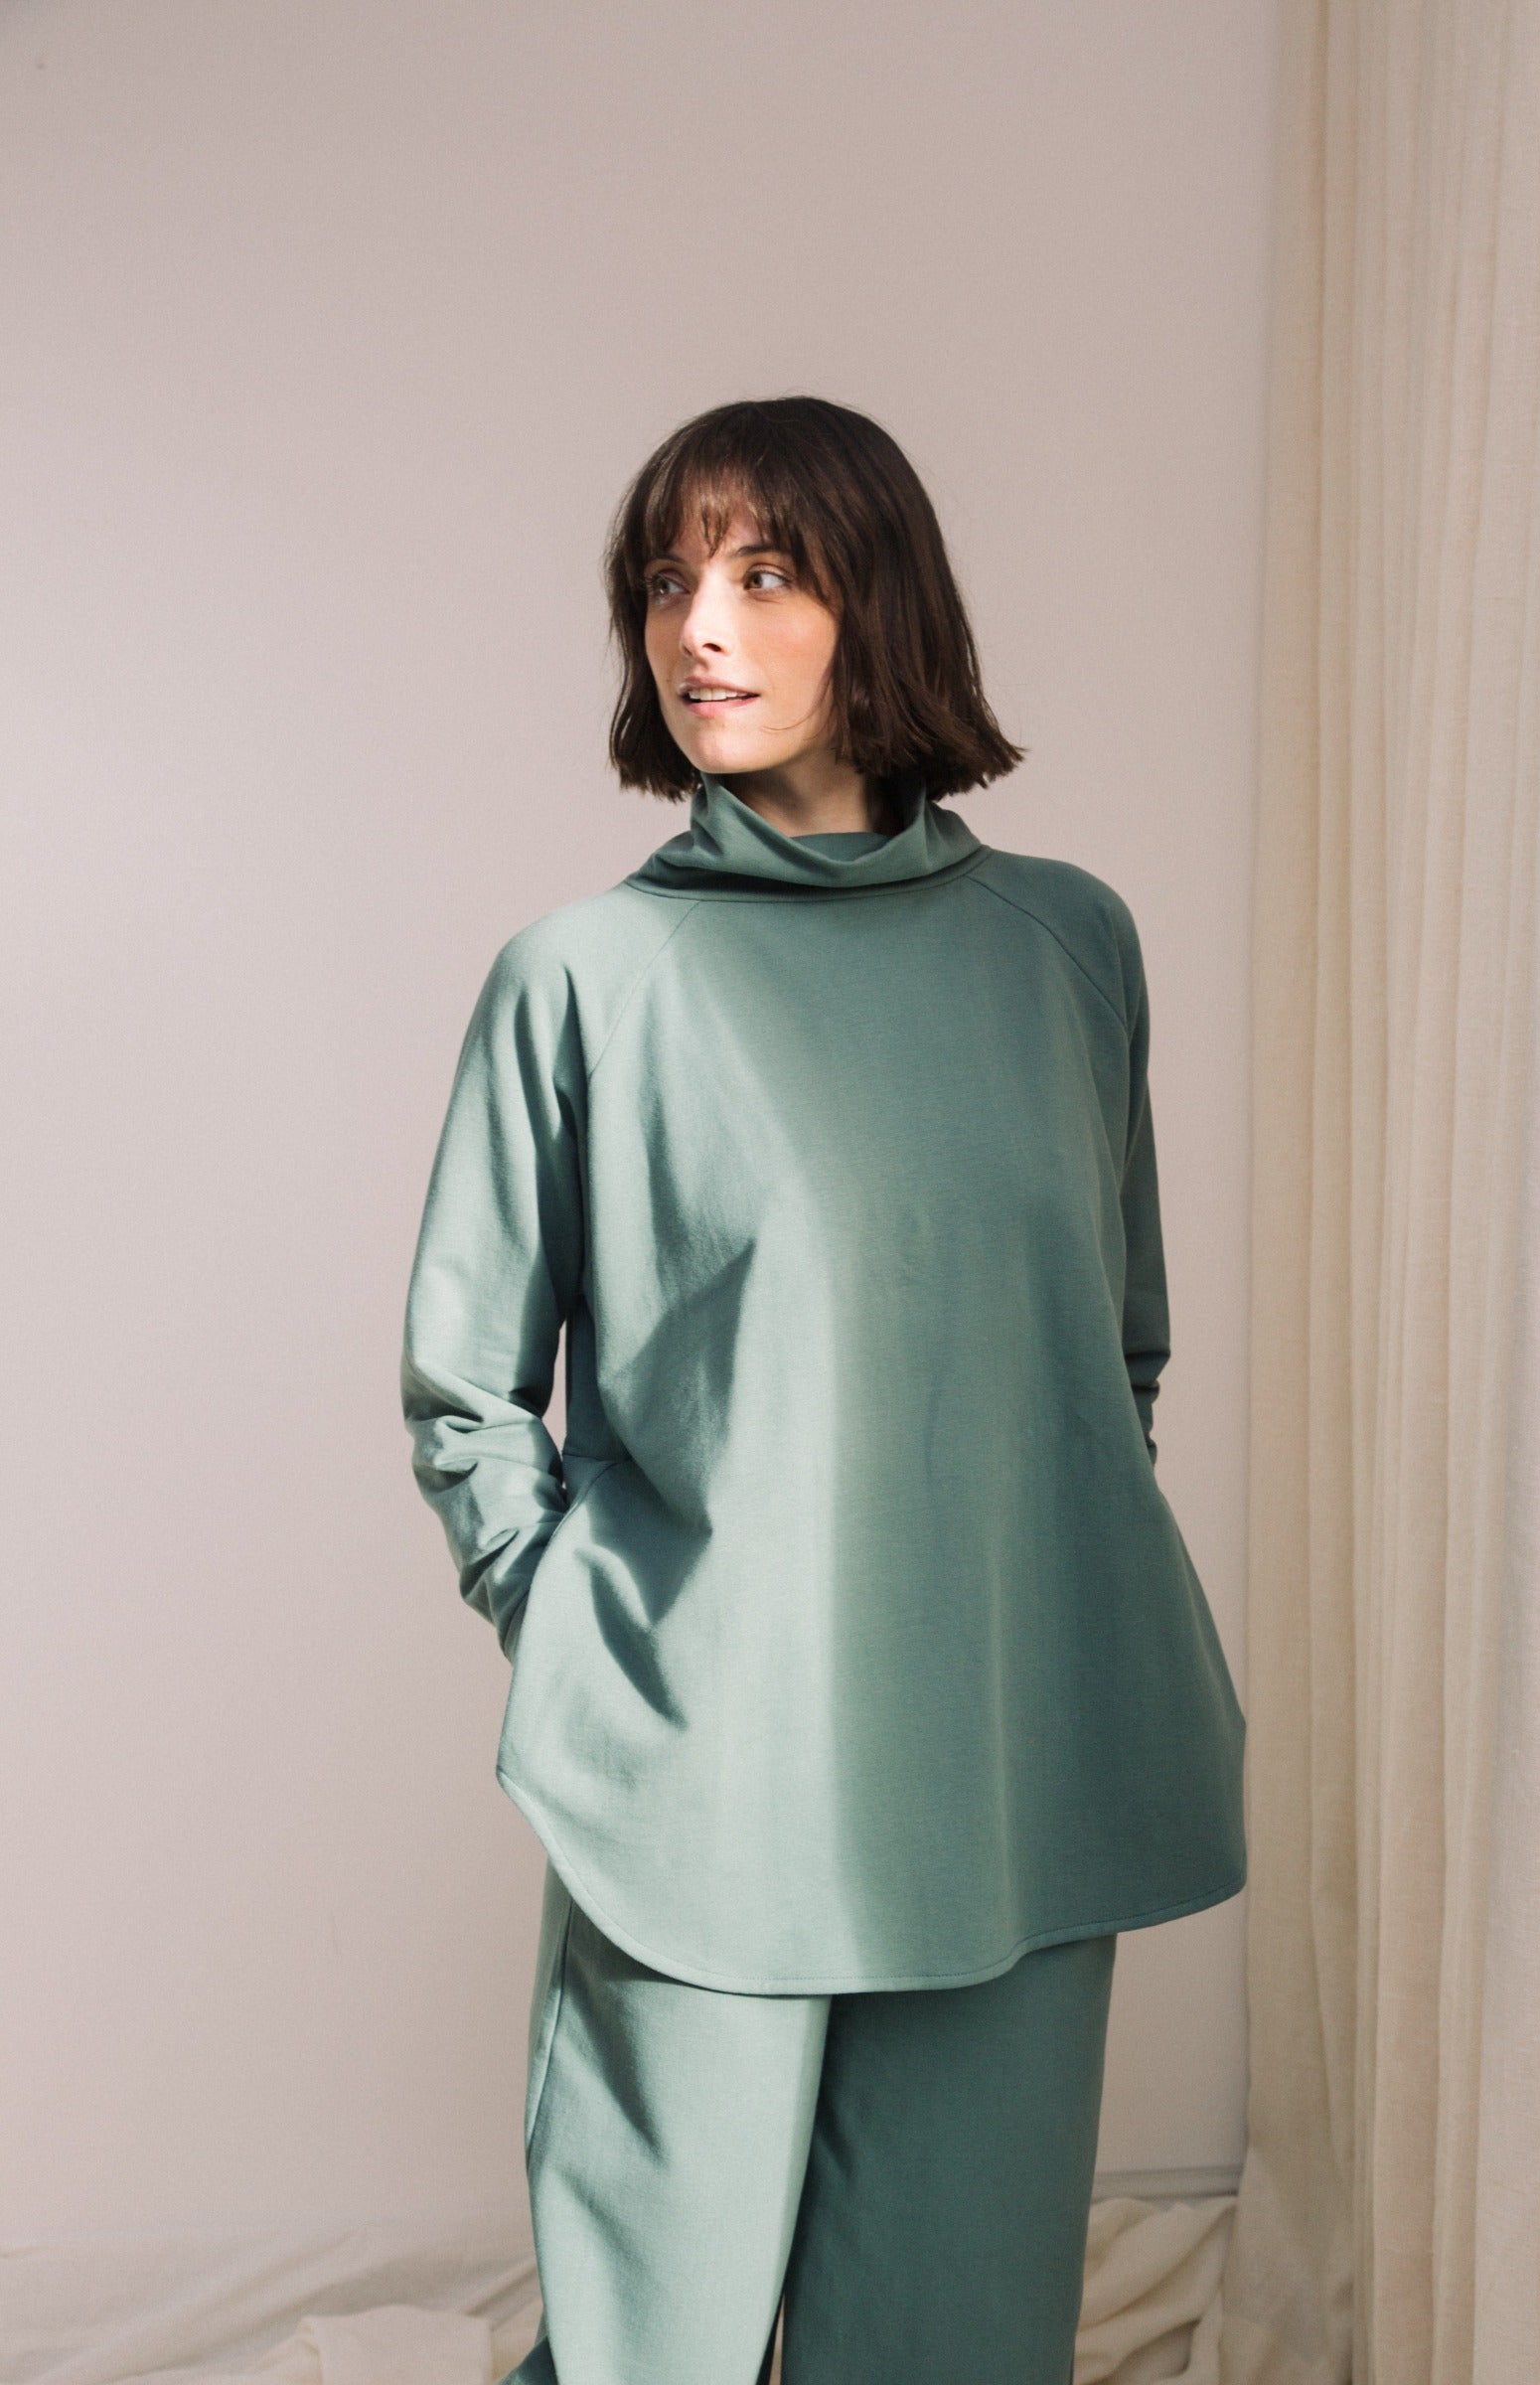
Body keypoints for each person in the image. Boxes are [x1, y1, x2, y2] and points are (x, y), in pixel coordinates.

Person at [399, 395, 1246, 2385]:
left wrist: (1029, 1589)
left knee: (955, 2348)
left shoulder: (1066, 945)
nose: (696, 625)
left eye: (763, 573)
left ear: (884, 604)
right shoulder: (582, 979)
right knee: (658, 2351)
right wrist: (590, 1646)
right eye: (665, 580)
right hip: (704, 1771)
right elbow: (466, 1392)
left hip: (1011, 1759)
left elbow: (1110, 1343)